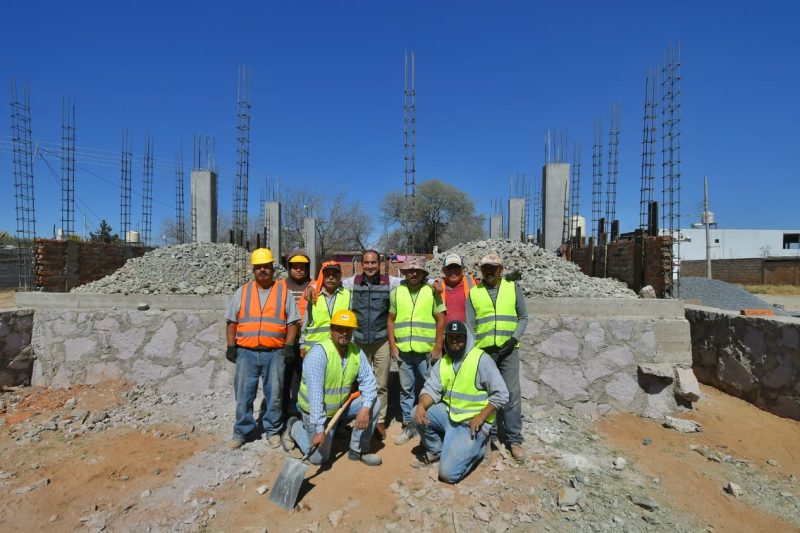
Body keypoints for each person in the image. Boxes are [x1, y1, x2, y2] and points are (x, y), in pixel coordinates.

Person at [282, 310, 382, 466]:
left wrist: (365, 408)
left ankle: (358, 449)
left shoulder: (356, 352)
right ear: (331, 330)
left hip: (340, 408)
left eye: (348, 329)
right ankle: (293, 427)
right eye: (339, 329)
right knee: (319, 459)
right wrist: (319, 429)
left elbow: (369, 382)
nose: (344, 333)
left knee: (375, 403)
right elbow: (315, 397)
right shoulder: (319, 353)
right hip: (315, 412)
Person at [413, 320, 508, 483]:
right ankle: (437, 451)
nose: (455, 342)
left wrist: (481, 417)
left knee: (447, 475)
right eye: (451, 338)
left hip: (472, 423)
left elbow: (501, 394)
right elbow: (431, 388)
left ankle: (479, 448)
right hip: (450, 415)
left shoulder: (481, 359)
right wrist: (421, 405)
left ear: (467, 338)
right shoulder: (444, 361)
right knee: (416, 412)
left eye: (459, 338)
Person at [224, 248, 300, 449]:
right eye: (258, 267)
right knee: (244, 395)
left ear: (273, 269)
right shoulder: (243, 291)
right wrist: (231, 346)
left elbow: (293, 322)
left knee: (275, 395)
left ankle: (273, 430)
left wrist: (289, 345)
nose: (262, 270)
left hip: (274, 353)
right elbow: (231, 321)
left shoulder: (283, 292)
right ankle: (242, 431)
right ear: (254, 270)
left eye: (266, 266)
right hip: (246, 353)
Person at [466, 253, 529, 463]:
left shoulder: (513, 288)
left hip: (508, 350)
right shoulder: (474, 293)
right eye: (486, 268)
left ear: (501, 269)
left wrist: (514, 338)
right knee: (487, 395)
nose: (489, 271)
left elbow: (523, 317)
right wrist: (476, 351)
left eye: (494, 268)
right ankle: (489, 437)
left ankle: (514, 440)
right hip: (485, 352)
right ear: (481, 270)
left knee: (511, 394)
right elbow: (471, 325)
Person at [340, 250, 403, 440]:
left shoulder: (389, 282)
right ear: (361, 264)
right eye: (366, 263)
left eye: (373, 263)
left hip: (381, 341)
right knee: (359, 383)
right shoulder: (352, 283)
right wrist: (312, 287)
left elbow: (412, 280)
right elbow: (329, 283)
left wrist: (434, 282)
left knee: (381, 384)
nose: (370, 266)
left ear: (379, 263)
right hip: (358, 342)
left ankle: (379, 420)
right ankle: (359, 416)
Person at [387, 256, 446, 445]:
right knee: (406, 391)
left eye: (417, 271)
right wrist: (393, 346)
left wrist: (438, 346)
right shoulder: (397, 292)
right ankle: (409, 426)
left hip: (426, 352)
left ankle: (430, 426)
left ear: (423, 273)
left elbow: (441, 319)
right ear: (404, 273)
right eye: (410, 271)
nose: (413, 274)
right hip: (404, 351)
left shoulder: (432, 290)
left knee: (431, 389)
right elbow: (391, 320)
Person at [283, 250, 312, 419]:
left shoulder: (315, 285)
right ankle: (284, 413)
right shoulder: (280, 286)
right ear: (289, 268)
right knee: (284, 380)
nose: (299, 270)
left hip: (306, 342)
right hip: (284, 341)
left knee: (305, 379)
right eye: (295, 267)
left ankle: (304, 413)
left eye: (302, 267)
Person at [300, 261, 351, 354]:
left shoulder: (348, 294)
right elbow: (306, 322)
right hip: (314, 348)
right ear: (322, 277)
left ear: (340, 277)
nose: (331, 278)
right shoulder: (314, 295)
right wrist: (302, 345)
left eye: (334, 275)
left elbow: (351, 323)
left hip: (338, 348)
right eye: (327, 275)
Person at [438, 254, 477, 323]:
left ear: (463, 269)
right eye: (449, 268)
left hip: (469, 329)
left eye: (456, 267)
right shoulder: (437, 286)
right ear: (443, 270)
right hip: (445, 329)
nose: (453, 271)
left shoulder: (474, 283)